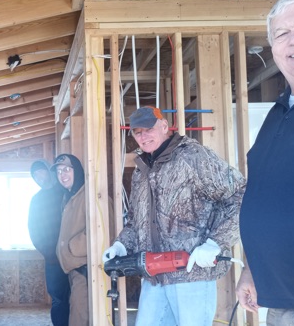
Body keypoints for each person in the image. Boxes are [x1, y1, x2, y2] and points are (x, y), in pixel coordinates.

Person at [102, 106, 246, 326]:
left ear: (163, 126)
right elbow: (135, 222)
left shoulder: (193, 157)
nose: (143, 136)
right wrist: (121, 245)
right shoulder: (142, 170)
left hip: (192, 275)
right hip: (154, 275)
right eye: (137, 132)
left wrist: (216, 243)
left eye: (148, 129)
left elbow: (241, 195)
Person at [235, 0, 294, 324]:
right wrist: (251, 269)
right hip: (281, 300)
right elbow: (264, 195)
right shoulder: (278, 112)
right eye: (282, 33)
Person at [27, 159, 70, 326]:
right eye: (34, 175)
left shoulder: (65, 192)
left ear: (48, 171)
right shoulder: (36, 200)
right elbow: (33, 230)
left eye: (40, 172)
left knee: (76, 296)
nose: (38, 177)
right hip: (52, 259)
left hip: (73, 256)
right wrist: (47, 252)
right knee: (58, 299)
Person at [52, 154, 90, 326]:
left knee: (80, 318)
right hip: (73, 271)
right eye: (59, 171)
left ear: (78, 171)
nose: (62, 174)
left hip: (86, 272)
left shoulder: (90, 197)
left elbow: (103, 231)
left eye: (67, 169)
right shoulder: (69, 196)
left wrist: (71, 249)